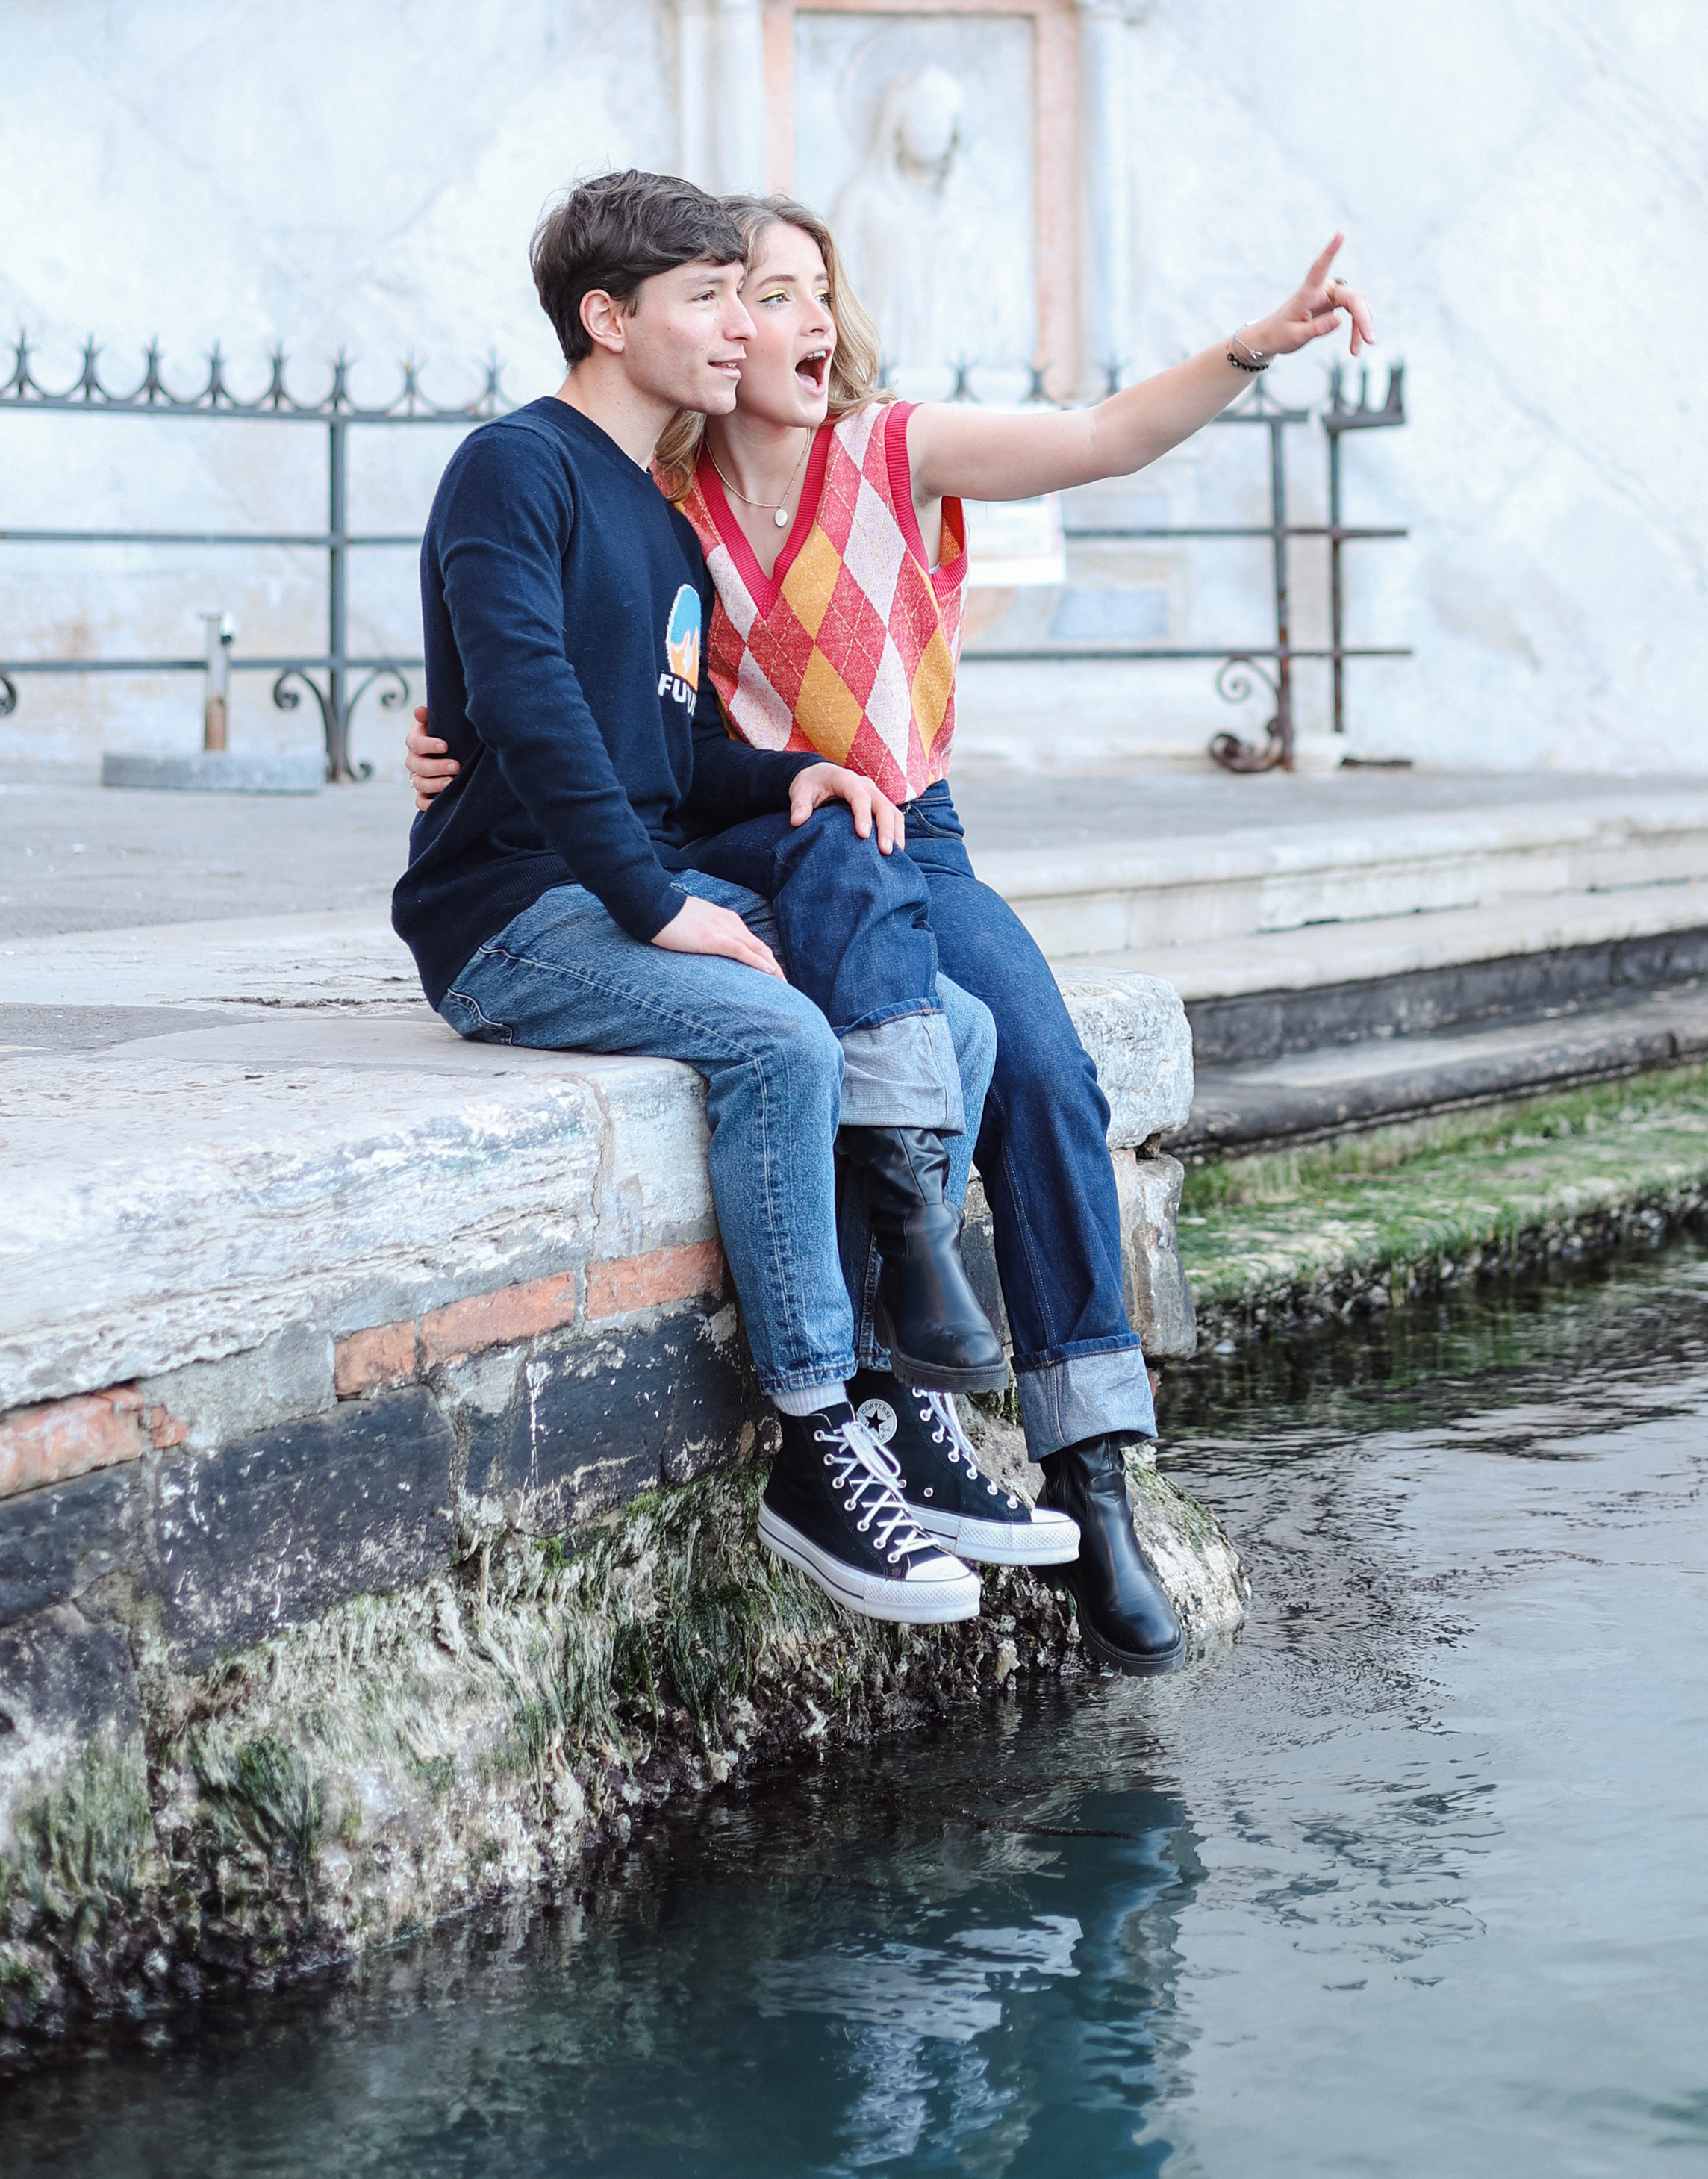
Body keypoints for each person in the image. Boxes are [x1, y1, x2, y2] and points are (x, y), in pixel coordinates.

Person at [411, 193, 1374, 1674]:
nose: (765, 322)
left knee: (1024, 1055)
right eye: (739, 296)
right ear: (654, 323)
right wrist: (473, 748)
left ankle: (1080, 1464)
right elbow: (560, 694)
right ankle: (873, 1361)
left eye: (793, 294)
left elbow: (1100, 438)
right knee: (820, 954)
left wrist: (1253, 343)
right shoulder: (644, 492)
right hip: (711, 843)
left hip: (863, 819)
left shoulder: (883, 451)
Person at [392, 169, 1042, 1632]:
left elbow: (671, 749)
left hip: (626, 881)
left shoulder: (661, 522)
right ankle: (817, 1434)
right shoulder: (517, 468)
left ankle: (891, 1404)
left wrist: (796, 774)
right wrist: (654, 901)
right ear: (605, 319)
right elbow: (522, 696)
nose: (737, 329)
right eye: (705, 299)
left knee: (957, 1031)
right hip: (509, 915)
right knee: (781, 1042)